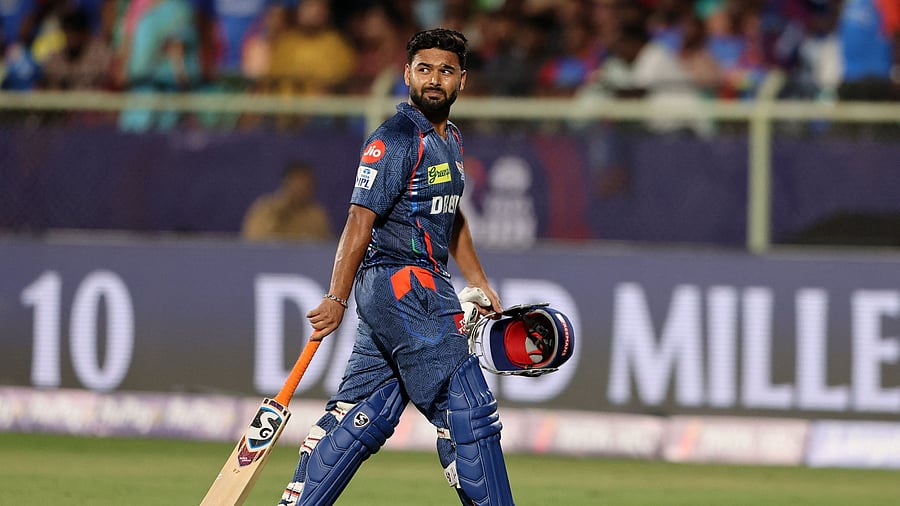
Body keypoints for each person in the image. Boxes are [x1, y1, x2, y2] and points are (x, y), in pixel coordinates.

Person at [277, 28, 514, 506]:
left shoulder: (450, 141)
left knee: (366, 412)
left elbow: (452, 214)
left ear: (461, 80)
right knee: (467, 408)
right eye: (423, 69)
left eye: (444, 70)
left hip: (409, 290)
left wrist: (479, 280)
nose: (433, 79)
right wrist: (336, 297)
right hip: (403, 283)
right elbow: (359, 220)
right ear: (406, 74)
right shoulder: (395, 138)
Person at [241, 160, 334, 242]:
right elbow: (253, 241)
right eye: (297, 184)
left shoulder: (316, 215)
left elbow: (323, 246)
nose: (301, 190)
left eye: (306, 186)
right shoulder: (265, 210)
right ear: (287, 183)